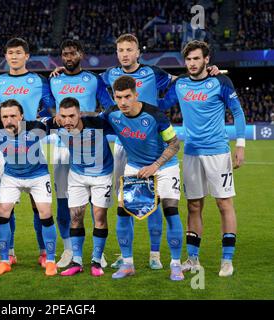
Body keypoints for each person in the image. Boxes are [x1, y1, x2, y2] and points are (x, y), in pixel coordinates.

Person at [101, 34, 220, 270]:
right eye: (121, 50)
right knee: (125, 201)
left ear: (138, 53)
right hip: (125, 142)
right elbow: (92, 84)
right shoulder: (108, 75)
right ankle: (125, 256)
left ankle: (155, 254)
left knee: (155, 199)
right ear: (117, 53)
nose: (125, 54)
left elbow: (181, 80)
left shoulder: (153, 73)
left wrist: (209, 70)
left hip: (154, 142)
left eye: (129, 49)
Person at [159, 40, 246, 277]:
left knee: (223, 203)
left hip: (218, 152)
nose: (192, 63)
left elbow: (237, 112)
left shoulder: (221, 82)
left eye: (196, 58)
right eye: (188, 59)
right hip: (191, 153)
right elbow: (160, 106)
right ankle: (193, 259)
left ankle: (227, 261)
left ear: (207, 60)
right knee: (194, 205)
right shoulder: (181, 84)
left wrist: (240, 144)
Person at [102, 75, 184, 281]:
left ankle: (176, 265)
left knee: (171, 211)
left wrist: (155, 166)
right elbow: (91, 121)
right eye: (118, 97)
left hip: (164, 167)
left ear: (136, 94)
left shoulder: (156, 115)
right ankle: (128, 264)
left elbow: (174, 144)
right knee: (122, 211)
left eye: (127, 97)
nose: (122, 102)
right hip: (135, 167)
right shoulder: (112, 114)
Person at [0, 38, 55, 266]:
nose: (14, 56)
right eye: (10, 53)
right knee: (6, 204)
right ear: (5, 56)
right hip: (5, 148)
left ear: (27, 56)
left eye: (18, 52)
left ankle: (44, 252)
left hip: (32, 145)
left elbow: (51, 105)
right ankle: (9, 252)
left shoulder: (38, 80)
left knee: (39, 205)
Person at [49, 39, 114, 268]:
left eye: (72, 53)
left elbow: (109, 107)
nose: (68, 57)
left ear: (81, 54)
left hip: (92, 144)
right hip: (63, 146)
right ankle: (69, 250)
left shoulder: (93, 79)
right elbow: (48, 106)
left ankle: (98, 253)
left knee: (96, 202)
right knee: (64, 200)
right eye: (64, 54)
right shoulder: (54, 80)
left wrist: (86, 115)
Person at [0, 99, 58, 277]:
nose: (9, 120)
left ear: (22, 116)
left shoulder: (35, 127)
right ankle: (4, 261)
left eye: (13, 116)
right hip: (12, 176)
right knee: (2, 212)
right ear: (0, 118)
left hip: (38, 175)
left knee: (45, 213)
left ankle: (50, 260)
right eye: (5, 116)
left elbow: (56, 122)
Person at [45, 97, 113, 277]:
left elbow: (116, 115)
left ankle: (97, 261)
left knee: (99, 216)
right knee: (75, 217)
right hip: (76, 176)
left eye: (72, 116)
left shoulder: (97, 123)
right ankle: (77, 261)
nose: (68, 121)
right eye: (64, 116)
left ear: (80, 114)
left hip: (102, 175)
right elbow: (30, 126)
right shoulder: (57, 126)